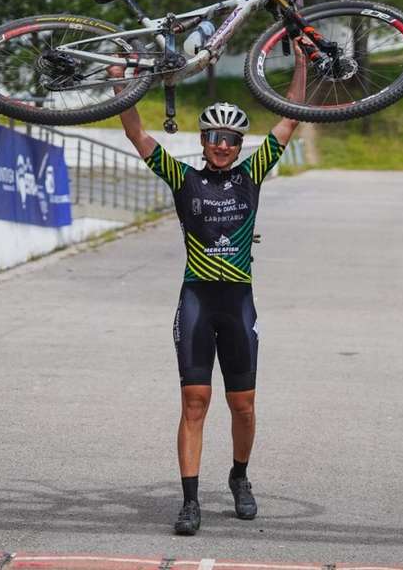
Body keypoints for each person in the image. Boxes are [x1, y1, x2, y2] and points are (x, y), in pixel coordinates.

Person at [108, 43, 306, 535]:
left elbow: (291, 120)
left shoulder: (252, 175)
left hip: (237, 303)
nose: (223, 145)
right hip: (197, 299)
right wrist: (119, 81)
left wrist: (301, 64)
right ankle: (190, 500)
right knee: (195, 401)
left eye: (232, 139)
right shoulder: (183, 178)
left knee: (243, 404)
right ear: (203, 139)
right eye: (216, 136)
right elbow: (135, 132)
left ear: (240, 145)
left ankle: (240, 478)